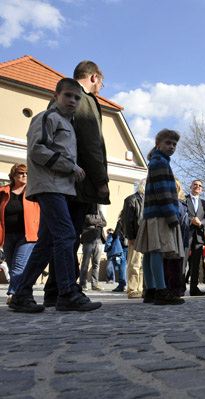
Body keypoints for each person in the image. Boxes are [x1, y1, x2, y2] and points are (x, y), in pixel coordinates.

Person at [9, 78, 101, 312]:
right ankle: (68, 292)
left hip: (59, 187)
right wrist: (70, 167)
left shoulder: (66, 123)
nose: (73, 101)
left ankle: (21, 293)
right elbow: (37, 149)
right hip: (49, 186)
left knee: (47, 242)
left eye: (77, 98)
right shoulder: (47, 117)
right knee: (66, 235)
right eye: (68, 95)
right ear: (56, 95)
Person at [43, 60, 111, 306]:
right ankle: (67, 291)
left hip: (57, 180)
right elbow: (91, 142)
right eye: (101, 83)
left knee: (56, 238)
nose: (101, 89)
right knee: (68, 237)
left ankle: (54, 290)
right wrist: (100, 179)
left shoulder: (60, 99)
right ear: (94, 78)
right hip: (77, 181)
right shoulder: (84, 99)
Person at [134, 129, 185, 305]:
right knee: (156, 250)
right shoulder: (160, 163)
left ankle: (151, 290)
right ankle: (161, 290)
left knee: (149, 252)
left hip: (151, 214)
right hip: (160, 214)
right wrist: (172, 215)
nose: (171, 146)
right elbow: (163, 192)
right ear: (158, 144)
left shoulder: (156, 162)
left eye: (174, 144)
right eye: (168, 143)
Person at [0, 164, 40, 303]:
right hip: (7, 236)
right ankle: (21, 292)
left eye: (27, 173)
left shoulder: (33, 192)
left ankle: (14, 294)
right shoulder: (3, 192)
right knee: (12, 267)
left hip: (27, 235)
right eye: (21, 172)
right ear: (13, 175)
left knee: (18, 266)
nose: (24, 175)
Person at [121, 179, 145, 298]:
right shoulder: (131, 199)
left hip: (146, 237)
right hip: (136, 236)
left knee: (143, 265)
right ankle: (132, 289)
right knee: (134, 264)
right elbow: (127, 220)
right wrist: (130, 236)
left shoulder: (149, 201)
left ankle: (140, 289)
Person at [185, 180, 205, 296]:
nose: (198, 187)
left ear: (202, 189)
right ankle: (180, 287)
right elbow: (181, 214)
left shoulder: (204, 203)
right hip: (186, 234)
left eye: (200, 186)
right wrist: (191, 221)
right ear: (191, 186)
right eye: (195, 185)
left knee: (195, 264)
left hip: (199, 237)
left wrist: (201, 223)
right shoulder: (184, 200)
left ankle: (194, 288)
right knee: (183, 262)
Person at [79, 205, 106, 290]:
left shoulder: (99, 212)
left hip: (99, 240)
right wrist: (99, 221)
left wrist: (97, 222)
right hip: (88, 239)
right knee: (85, 263)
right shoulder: (86, 210)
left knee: (96, 263)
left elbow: (105, 223)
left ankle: (95, 284)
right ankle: (83, 284)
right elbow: (89, 220)